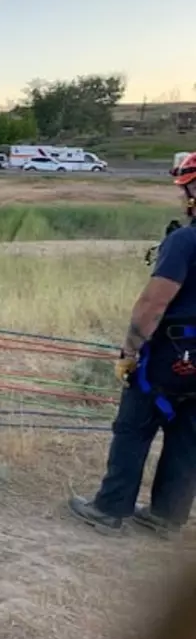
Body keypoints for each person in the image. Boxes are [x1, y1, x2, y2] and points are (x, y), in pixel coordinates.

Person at [70, 152, 196, 537]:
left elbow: (152, 304)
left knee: (134, 427)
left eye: (185, 188)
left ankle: (110, 510)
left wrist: (130, 352)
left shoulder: (185, 241)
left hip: (170, 354)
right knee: (189, 434)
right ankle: (166, 516)